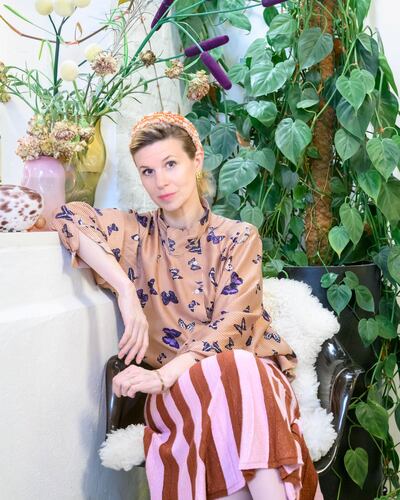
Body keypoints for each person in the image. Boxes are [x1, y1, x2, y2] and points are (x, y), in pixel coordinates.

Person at [50, 111, 323, 500]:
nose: (160, 181)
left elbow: (232, 326)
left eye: (170, 164)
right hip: (182, 395)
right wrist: (125, 290)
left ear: (196, 160)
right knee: (235, 382)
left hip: (252, 384)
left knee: (239, 367)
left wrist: (163, 375)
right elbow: (67, 216)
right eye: (147, 171)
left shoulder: (239, 237)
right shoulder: (134, 234)